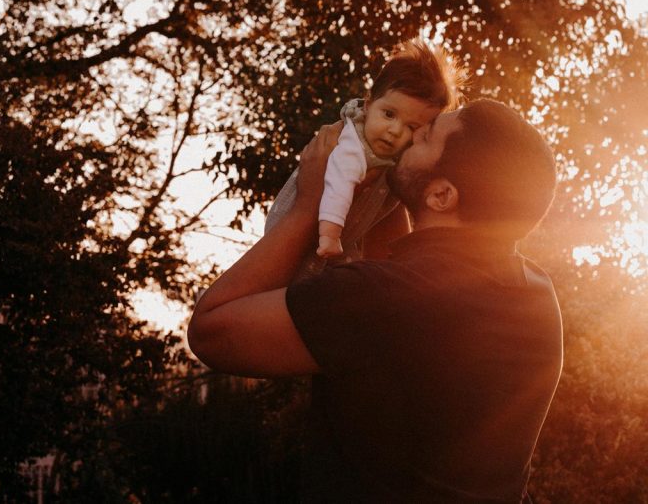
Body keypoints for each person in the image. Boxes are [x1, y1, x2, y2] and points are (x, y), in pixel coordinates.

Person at [187, 98, 563, 502]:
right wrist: (387, 180)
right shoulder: (536, 294)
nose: (411, 132)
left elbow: (212, 330)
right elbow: (405, 271)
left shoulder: (382, 298)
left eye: (427, 136)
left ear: (441, 195)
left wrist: (312, 202)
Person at [265, 39, 463, 279]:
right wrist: (330, 235)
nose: (395, 130)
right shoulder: (353, 142)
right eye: (389, 114)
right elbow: (338, 183)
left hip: (338, 236)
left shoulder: (396, 159)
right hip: (315, 229)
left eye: (412, 127)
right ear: (369, 104)